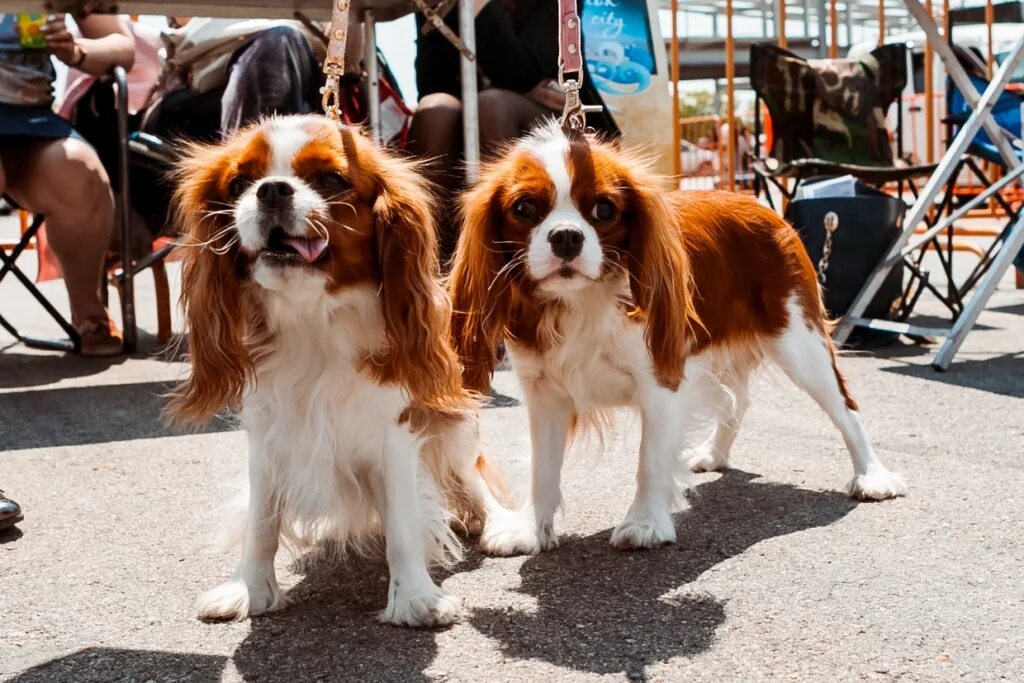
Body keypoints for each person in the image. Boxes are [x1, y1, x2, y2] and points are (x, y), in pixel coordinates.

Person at [408, 0, 617, 259]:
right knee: (436, 109)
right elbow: (431, 83)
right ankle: (436, 263)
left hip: (555, 121)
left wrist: (477, 7)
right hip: (471, 119)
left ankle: (505, 260)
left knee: (492, 106)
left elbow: (521, 71)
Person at [0, 13, 134, 357]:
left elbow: (122, 46)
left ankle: (89, 314)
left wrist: (74, 50)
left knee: (79, 169)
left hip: (32, 121)